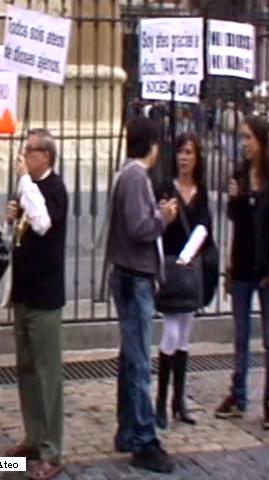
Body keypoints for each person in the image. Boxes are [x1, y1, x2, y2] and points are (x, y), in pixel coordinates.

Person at [106, 116, 177, 473]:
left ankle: (127, 430)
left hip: (132, 276)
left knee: (131, 358)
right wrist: (162, 218)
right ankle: (143, 440)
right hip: (135, 278)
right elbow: (138, 227)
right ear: (152, 145)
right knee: (138, 363)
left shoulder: (130, 175)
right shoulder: (135, 177)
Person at [215, 116, 269, 429]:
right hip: (242, 265)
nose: (243, 143)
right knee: (241, 335)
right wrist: (235, 198)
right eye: (241, 138)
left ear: (260, 140)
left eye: (247, 138)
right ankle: (238, 395)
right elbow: (235, 220)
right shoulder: (240, 174)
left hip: (266, 269)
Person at [4, 129, 68, 480]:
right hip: (23, 293)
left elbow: (43, 223)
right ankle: (33, 435)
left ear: (46, 156)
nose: (24, 155)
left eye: (29, 150)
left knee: (47, 376)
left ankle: (53, 450)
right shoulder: (27, 187)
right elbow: (23, 229)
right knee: (26, 371)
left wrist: (26, 185)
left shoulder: (55, 188)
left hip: (45, 297)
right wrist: (14, 214)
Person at [154, 133, 213, 429]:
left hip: (192, 269)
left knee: (185, 333)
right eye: (180, 152)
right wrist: (165, 216)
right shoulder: (167, 188)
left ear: (197, 157)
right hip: (171, 265)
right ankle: (161, 401)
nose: (184, 157)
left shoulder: (201, 192)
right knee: (171, 331)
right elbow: (158, 228)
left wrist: (197, 249)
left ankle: (179, 400)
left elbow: (207, 230)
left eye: (189, 152)